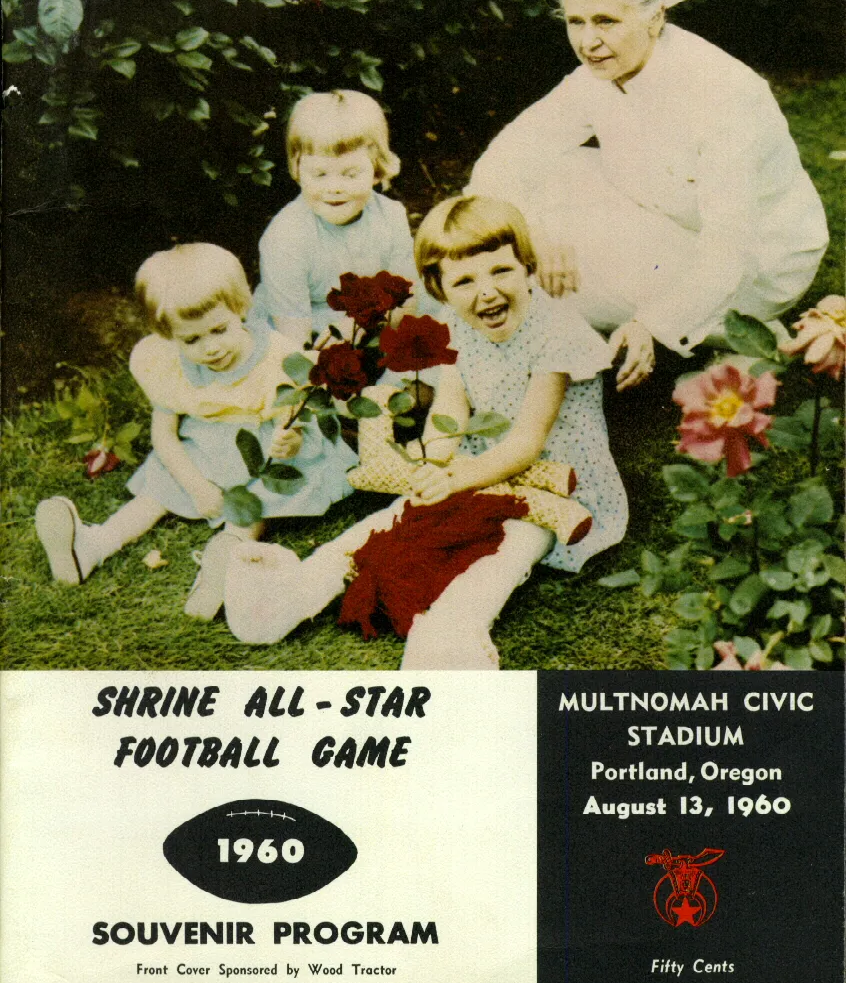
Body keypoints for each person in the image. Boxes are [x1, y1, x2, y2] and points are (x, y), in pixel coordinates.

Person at [224, 196, 628, 668]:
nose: (487, 292)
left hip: (551, 483)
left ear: (527, 268)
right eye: (464, 281)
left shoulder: (554, 332)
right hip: (476, 461)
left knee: (503, 551)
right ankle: (297, 590)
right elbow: (451, 409)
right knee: (398, 517)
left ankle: (453, 629)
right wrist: (431, 463)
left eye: (501, 271)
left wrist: (454, 478)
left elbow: (526, 442)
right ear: (440, 289)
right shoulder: (456, 325)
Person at [467, 0, 828, 390]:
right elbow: (501, 161)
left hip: (758, 262)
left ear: (655, 17)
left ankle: (748, 334)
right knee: (550, 177)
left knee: (564, 282)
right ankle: (695, 324)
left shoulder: (722, 94)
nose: (588, 42)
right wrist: (537, 233)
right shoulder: (595, 75)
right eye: (576, 21)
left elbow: (728, 247)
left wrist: (651, 325)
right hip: (670, 220)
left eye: (606, 21)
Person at [35, 243, 356, 619]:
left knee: (253, 501)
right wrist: (195, 485)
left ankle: (223, 564)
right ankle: (91, 546)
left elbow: (296, 420)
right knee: (155, 494)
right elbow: (164, 436)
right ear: (169, 335)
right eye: (192, 340)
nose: (211, 348)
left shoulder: (275, 357)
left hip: (261, 445)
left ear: (240, 309)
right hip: (203, 447)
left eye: (219, 330)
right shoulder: (166, 363)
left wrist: (290, 440)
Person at [252, 89, 423, 348]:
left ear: (376, 169)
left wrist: (364, 321)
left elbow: (406, 297)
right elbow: (293, 341)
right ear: (298, 169)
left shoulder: (390, 215)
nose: (334, 188)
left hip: (376, 317)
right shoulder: (285, 238)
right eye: (319, 174)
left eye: (350, 174)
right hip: (308, 330)